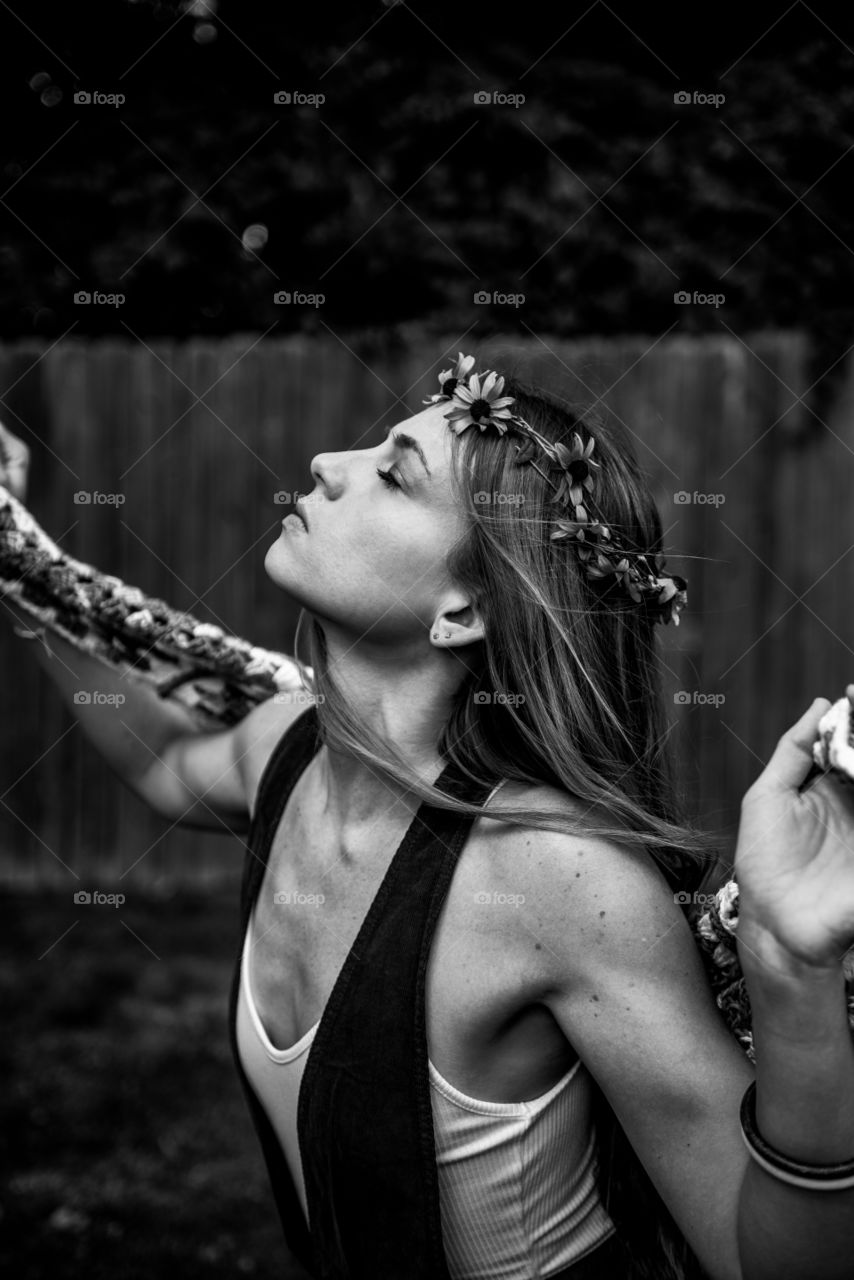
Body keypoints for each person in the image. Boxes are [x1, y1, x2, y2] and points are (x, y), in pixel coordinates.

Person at [2, 352, 854, 1280]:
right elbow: (163, 758)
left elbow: (759, 1258)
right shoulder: (286, 747)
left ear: (463, 611)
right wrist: (17, 563)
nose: (328, 461)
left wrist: (791, 968)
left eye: (392, 474)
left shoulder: (552, 876)